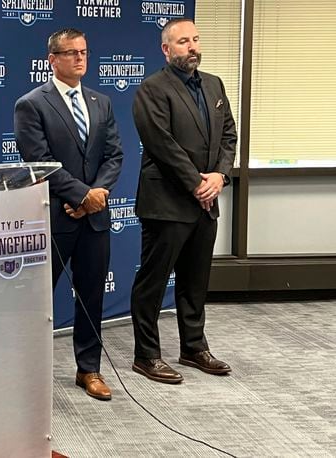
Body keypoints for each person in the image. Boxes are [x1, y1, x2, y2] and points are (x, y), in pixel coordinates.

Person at [14, 29, 123, 400]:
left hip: (94, 220)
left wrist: (95, 196)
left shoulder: (101, 102)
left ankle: (88, 369)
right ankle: (28, 374)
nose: (79, 58)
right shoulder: (31, 104)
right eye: (71, 52)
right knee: (39, 300)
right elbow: (39, 161)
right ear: (52, 59)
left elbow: (114, 156)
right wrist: (80, 195)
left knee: (91, 296)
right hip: (54, 218)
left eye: (84, 52)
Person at [129, 18, 236, 384]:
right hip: (167, 202)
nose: (192, 47)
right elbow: (161, 145)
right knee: (153, 282)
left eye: (195, 39)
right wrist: (197, 183)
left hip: (205, 201)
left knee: (195, 280)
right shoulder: (152, 89)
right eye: (183, 42)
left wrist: (220, 176)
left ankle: (193, 346)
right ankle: (146, 355)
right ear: (166, 49)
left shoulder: (214, 84)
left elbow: (229, 135)